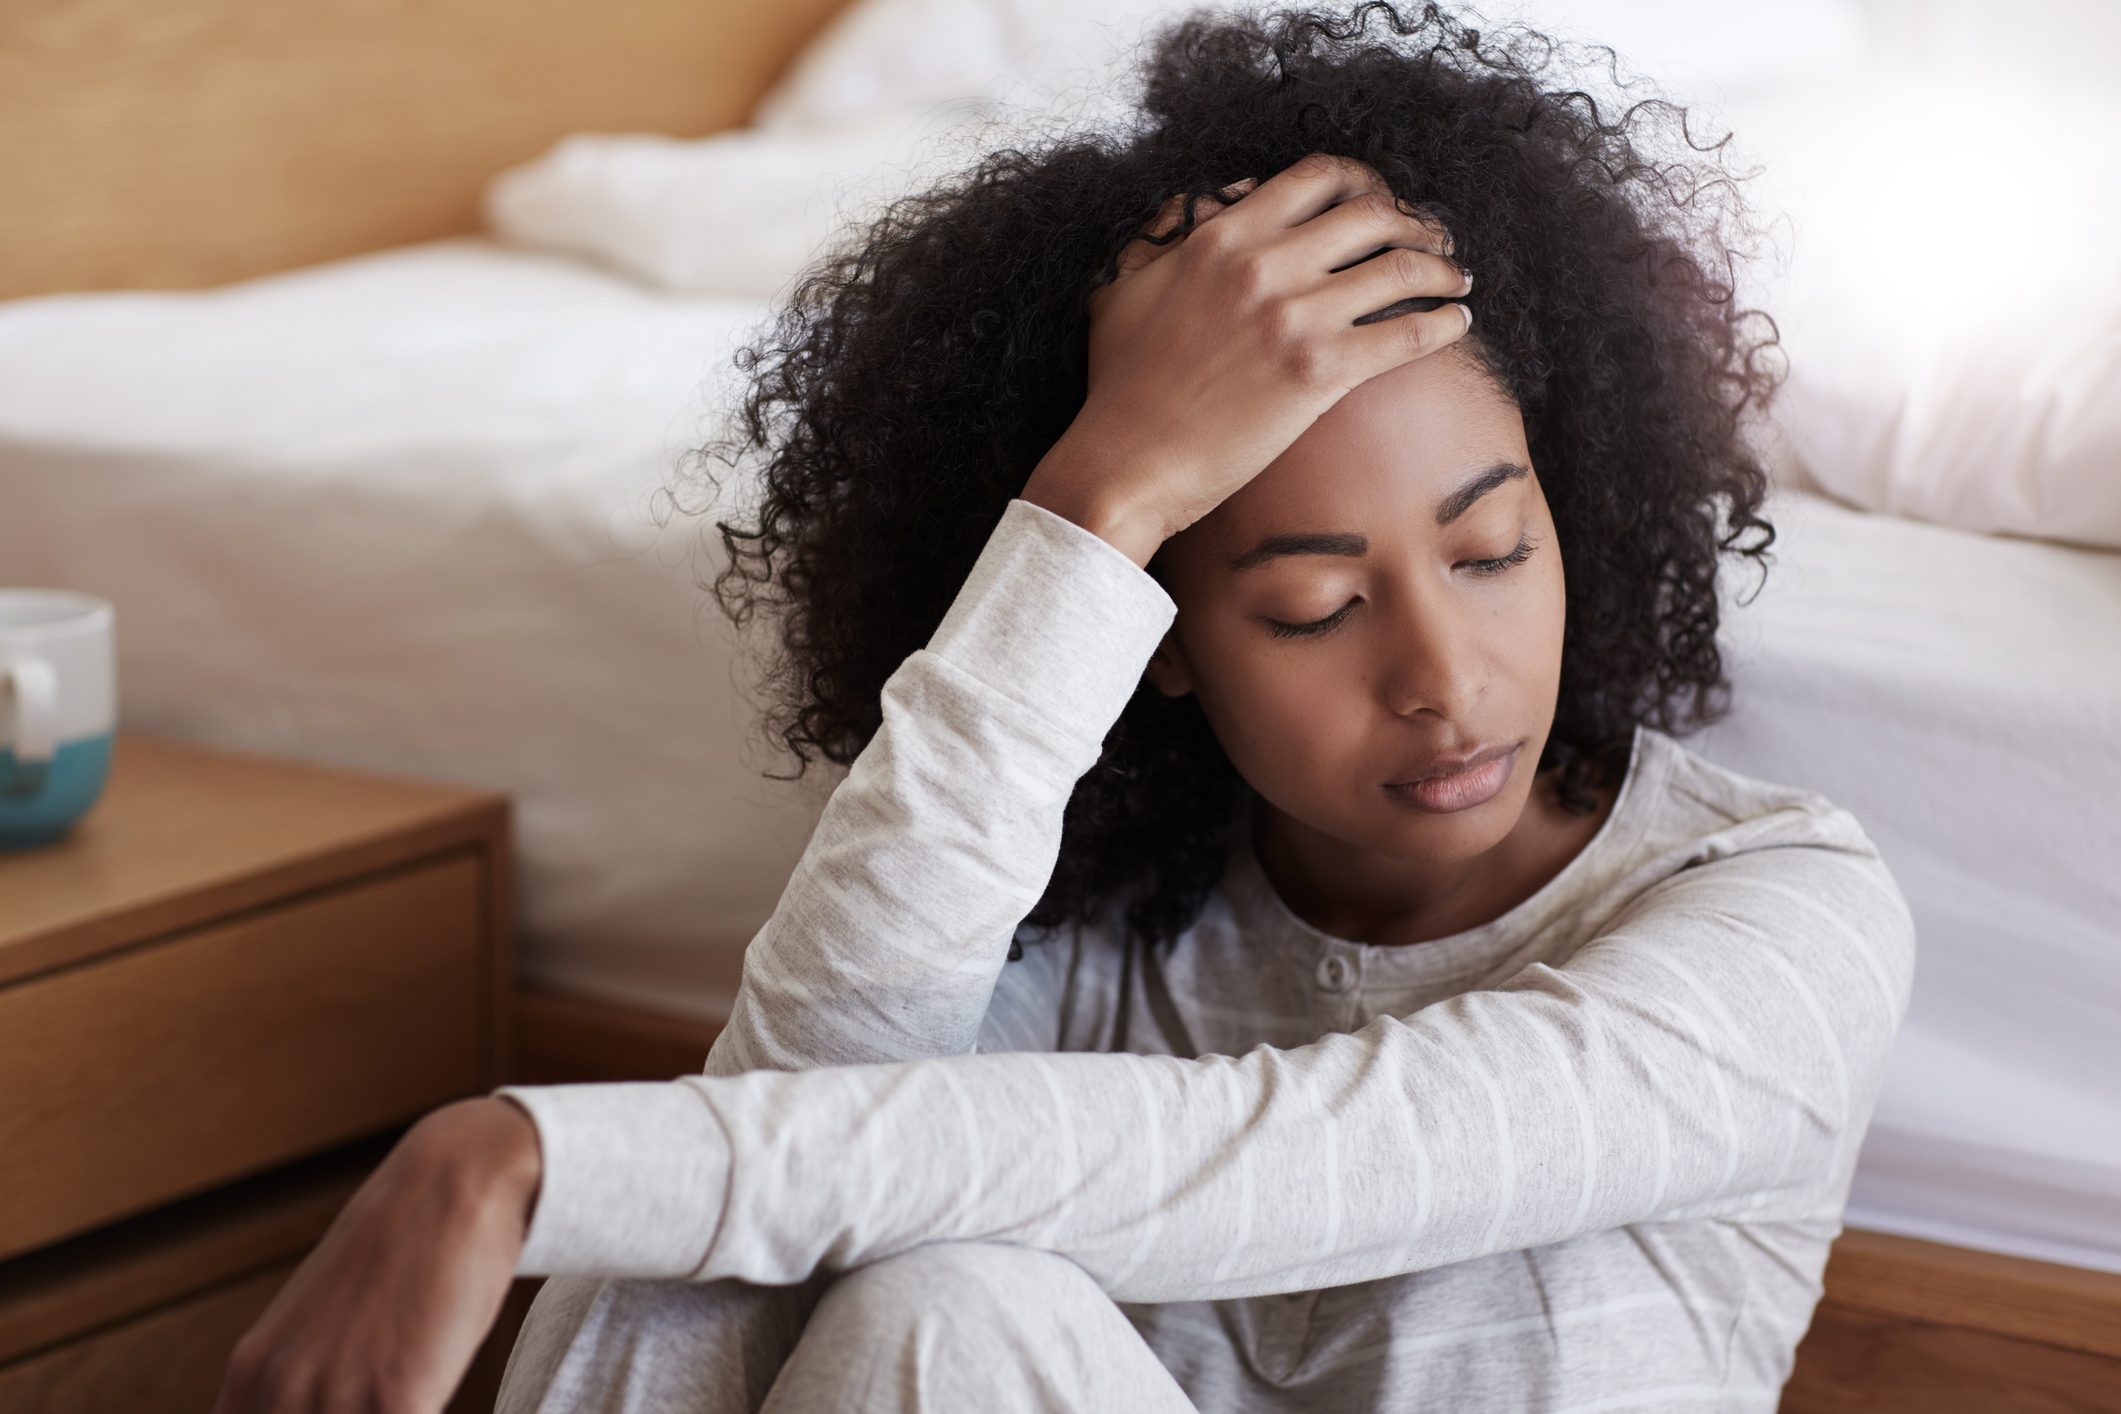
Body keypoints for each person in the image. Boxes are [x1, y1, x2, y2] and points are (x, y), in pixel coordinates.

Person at [210, 4, 1917, 1411]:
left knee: (876, 1199)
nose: (1446, 679)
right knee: (921, 1292)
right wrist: (1100, 503)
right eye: (1312, 604)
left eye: (1490, 549)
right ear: (1160, 631)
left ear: (1581, 506)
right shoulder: (1099, 935)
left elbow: (1280, 1157)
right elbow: (798, 1136)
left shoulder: (1779, 922)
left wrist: (525, 1160)